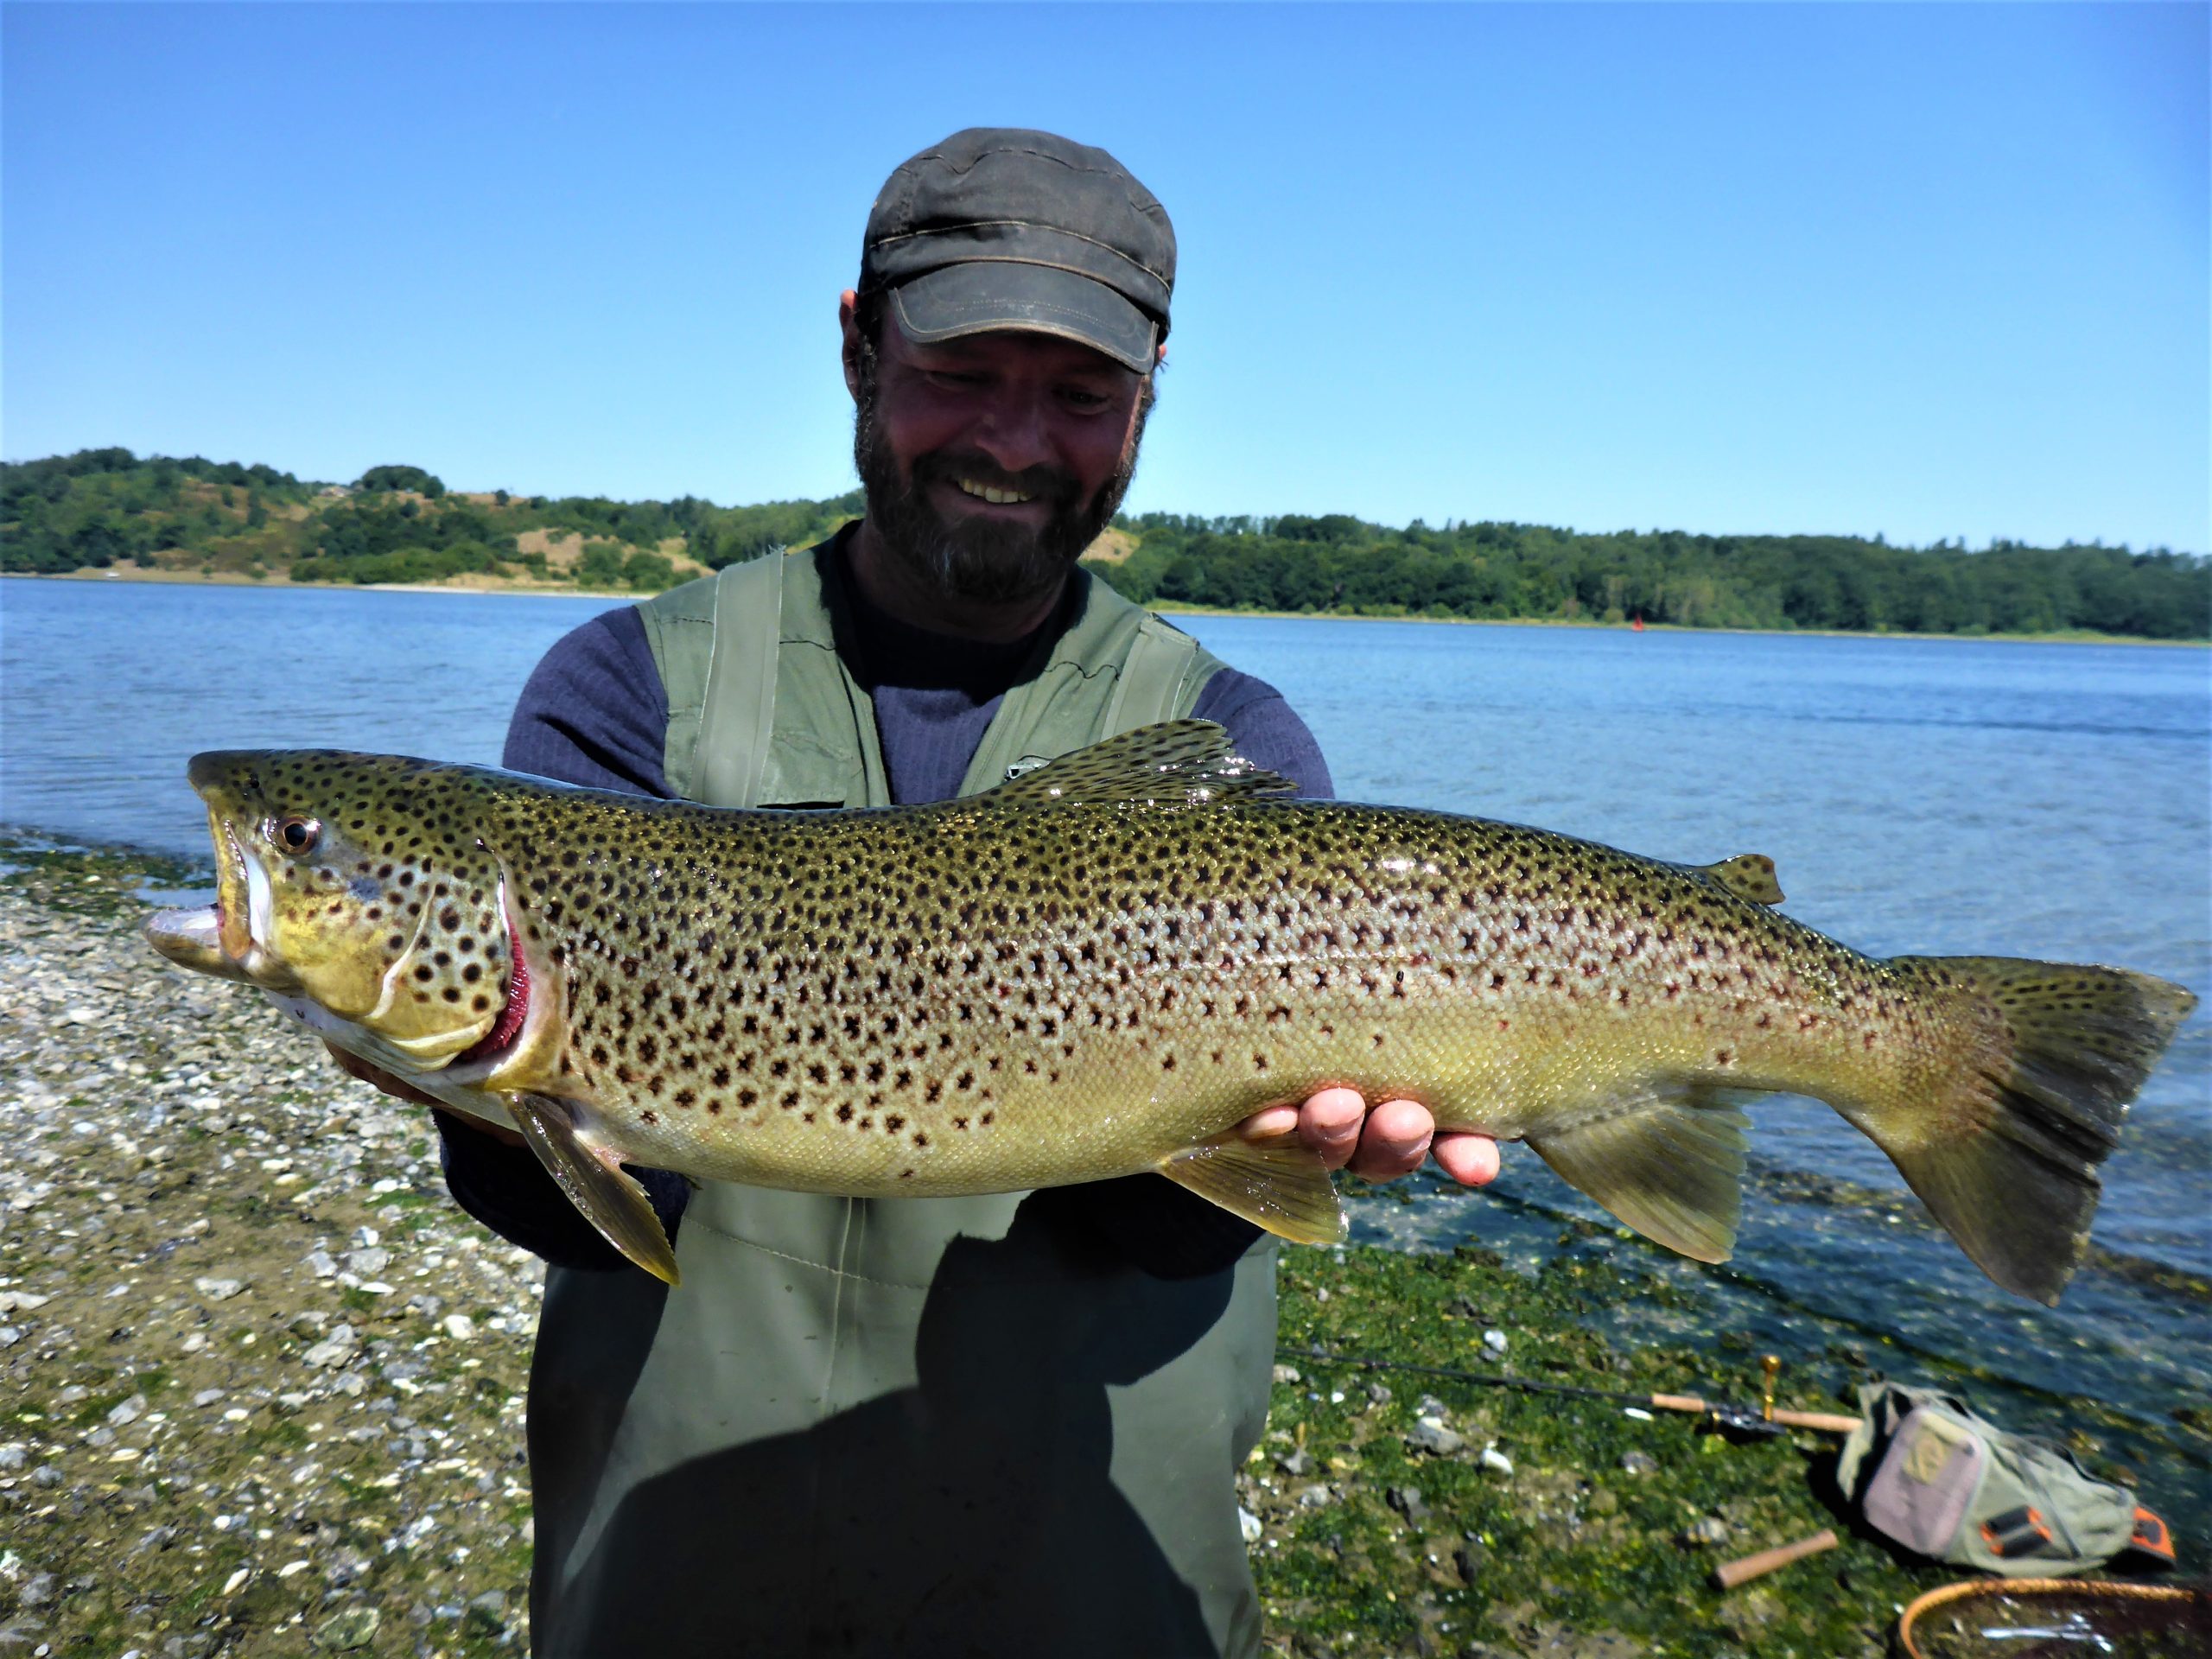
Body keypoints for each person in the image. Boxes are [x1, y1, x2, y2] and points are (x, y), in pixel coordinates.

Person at [338, 127, 1500, 1658]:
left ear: (1148, 403)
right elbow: (589, 1214)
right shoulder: (627, 690)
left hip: (1081, 1587)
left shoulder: (1230, 740)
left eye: (1080, 396)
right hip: (688, 1575)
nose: (1016, 442)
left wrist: (1289, 1148)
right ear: (856, 348)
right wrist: (473, 1077)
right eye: (961, 372)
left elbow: (1172, 1248)